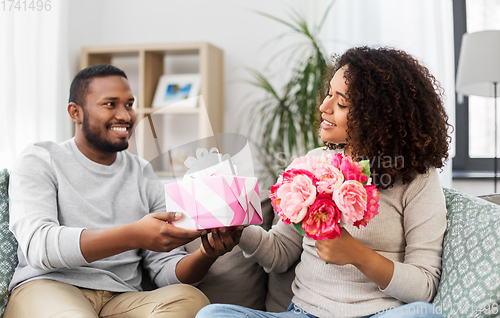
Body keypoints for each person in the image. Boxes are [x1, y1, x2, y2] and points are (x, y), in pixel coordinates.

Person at [196, 46, 452, 318]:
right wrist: (239, 230)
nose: (323, 107)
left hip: (379, 314)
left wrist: (357, 254)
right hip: (304, 314)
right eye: (329, 94)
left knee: (421, 315)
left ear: (377, 117)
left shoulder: (417, 180)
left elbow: (424, 286)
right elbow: (279, 253)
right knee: (212, 315)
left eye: (341, 103)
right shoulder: (311, 164)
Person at [5, 64, 242, 318]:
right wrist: (133, 235)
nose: (126, 116)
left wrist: (206, 254)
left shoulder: (142, 172)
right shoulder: (40, 159)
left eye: (129, 104)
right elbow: (39, 247)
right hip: (49, 287)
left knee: (192, 300)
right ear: (76, 113)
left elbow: (163, 268)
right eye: (110, 104)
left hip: (121, 298)